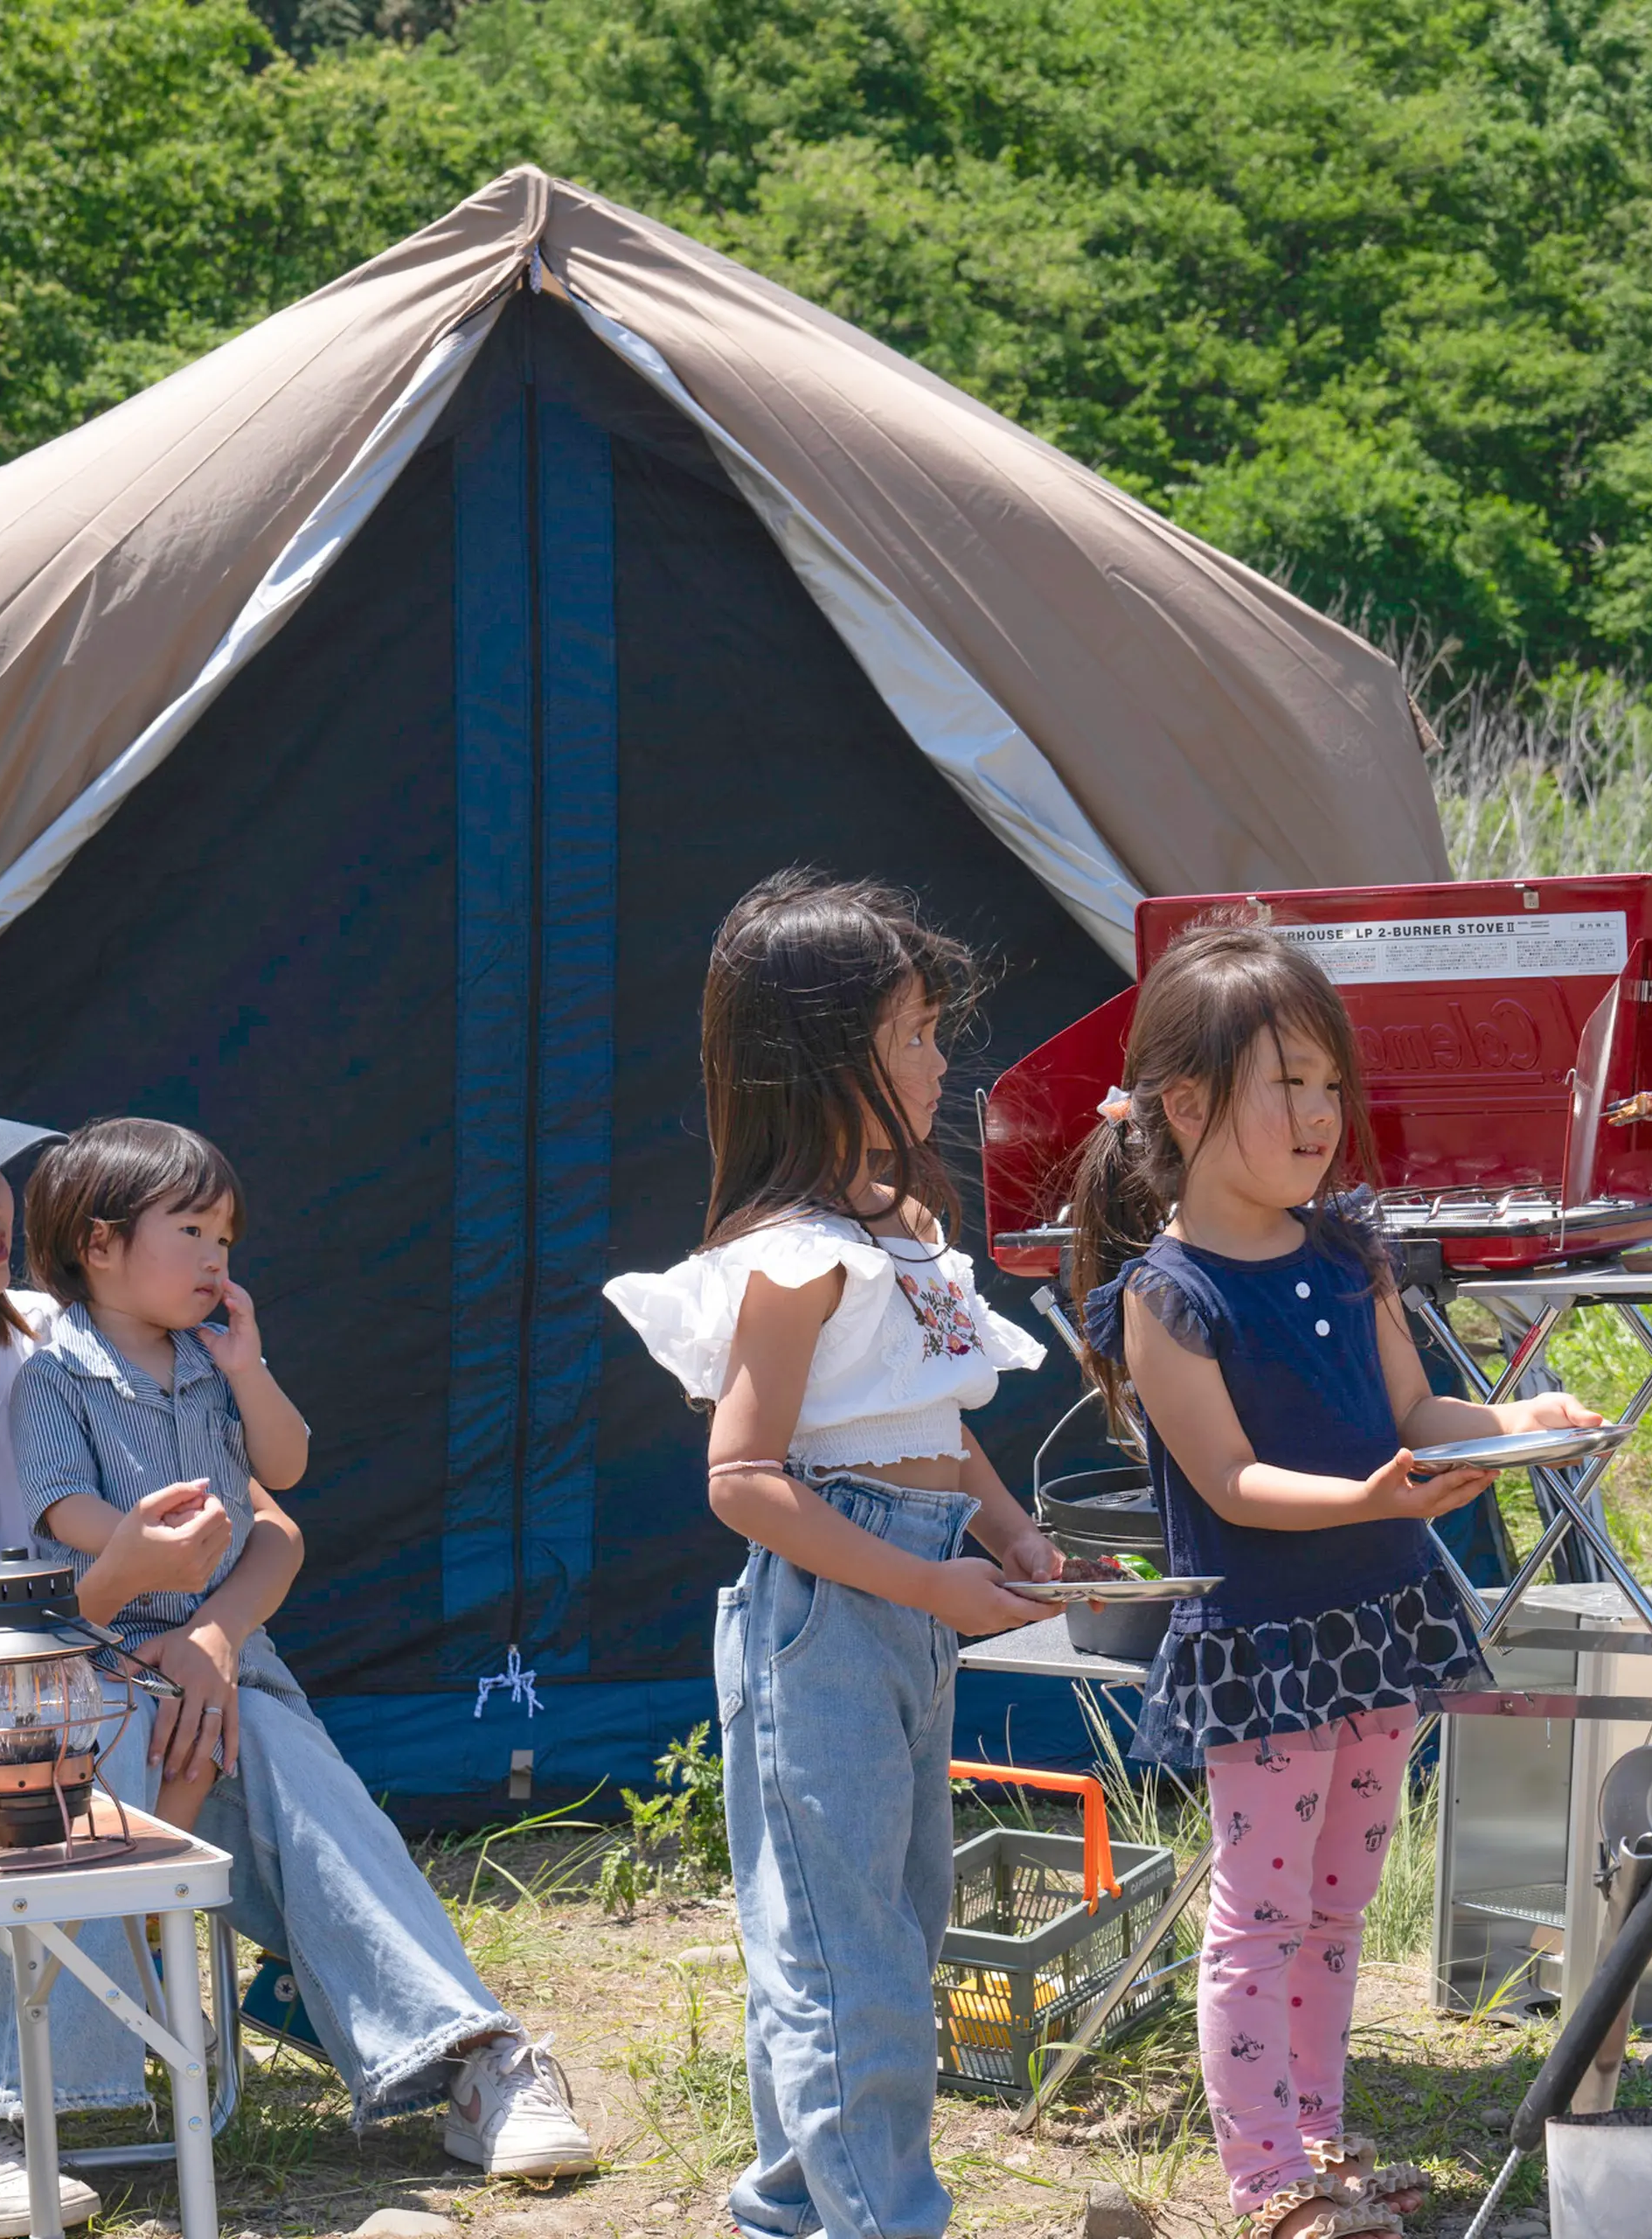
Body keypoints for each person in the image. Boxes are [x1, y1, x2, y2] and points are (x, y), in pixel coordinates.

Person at [0, 1049, 600, 2239]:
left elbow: (271, 1526)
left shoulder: (66, 1341)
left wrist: (215, 1639)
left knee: (242, 1717)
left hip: (109, 1694)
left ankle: (469, 2053)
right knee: (83, 1727)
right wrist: (130, 1590)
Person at [1062, 918, 1601, 2239]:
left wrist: (1528, 1424)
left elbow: (1418, 1409)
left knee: (1344, 1900)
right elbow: (1235, 1482)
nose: (1316, 1114)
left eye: (1326, 1082)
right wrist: (1368, 1495)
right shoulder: (1168, 1295)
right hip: (1266, 1642)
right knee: (1262, 1909)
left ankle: (1320, 2137)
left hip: (1379, 1619)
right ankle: (1266, 2180)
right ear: (1185, 1108)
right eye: (1282, 1083)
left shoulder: (1350, 1248)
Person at [602, 871, 1063, 2239]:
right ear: (823, 1055)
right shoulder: (795, 1259)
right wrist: (928, 1578)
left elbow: (929, 1425)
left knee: (887, 1929)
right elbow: (744, 1479)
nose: (938, 1062)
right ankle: (884, 2218)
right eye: (915, 1034)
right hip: (830, 1616)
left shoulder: (904, 1236)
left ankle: (789, 2205)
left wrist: (1011, 1530)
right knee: (845, 1952)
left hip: (912, 1600)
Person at [10, 1117, 309, 1832]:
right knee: (140, 1747)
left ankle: (162, 1884)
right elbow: (60, 1501)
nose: (216, 1259)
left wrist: (248, 1371)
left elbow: (287, 1465)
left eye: (225, 1239)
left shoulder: (218, 1361)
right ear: (100, 1244)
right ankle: (146, 1886)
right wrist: (143, 1543)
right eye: (192, 1232)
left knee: (212, 1741)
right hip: (113, 1632)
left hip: (232, 1626)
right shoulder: (54, 1375)